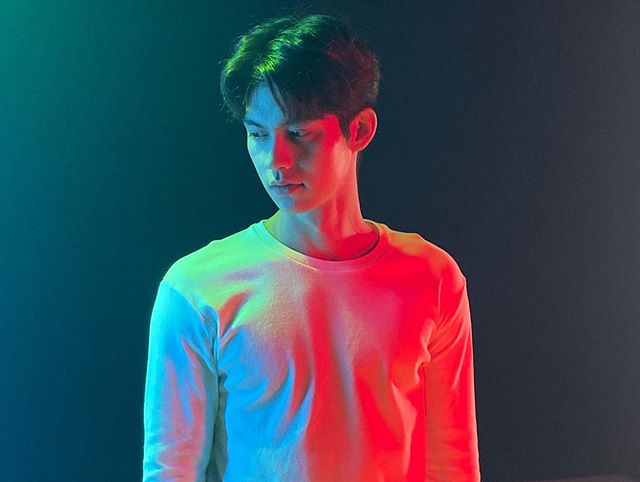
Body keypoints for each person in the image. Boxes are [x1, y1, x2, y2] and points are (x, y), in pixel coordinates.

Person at [142, 12, 480, 481]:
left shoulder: (431, 278)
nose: (275, 160)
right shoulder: (198, 287)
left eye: (299, 133)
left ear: (359, 130)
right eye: (258, 134)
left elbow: (453, 463)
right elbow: (172, 470)